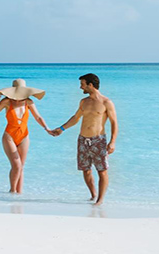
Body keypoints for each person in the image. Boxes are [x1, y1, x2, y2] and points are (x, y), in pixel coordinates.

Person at [50, 74, 118, 204]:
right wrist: (62, 129)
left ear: (90, 85)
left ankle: (100, 200)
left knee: (102, 171)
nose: (81, 87)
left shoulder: (106, 102)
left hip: (98, 140)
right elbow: (76, 118)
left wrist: (112, 142)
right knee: (86, 170)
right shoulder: (84, 102)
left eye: (82, 84)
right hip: (82, 140)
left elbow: (114, 123)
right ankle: (93, 195)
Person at [0, 79, 53, 194]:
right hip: (9, 136)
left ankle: (19, 194)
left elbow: (38, 117)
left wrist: (46, 128)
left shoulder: (29, 102)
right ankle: (12, 191)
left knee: (21, 167)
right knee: (16, 165)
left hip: (24, 136)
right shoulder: (7, 102)